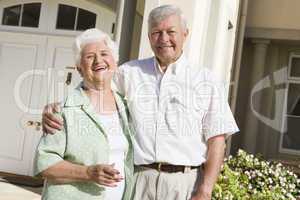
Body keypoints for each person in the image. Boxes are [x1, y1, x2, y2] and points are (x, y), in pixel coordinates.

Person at [42, 5, 239, 200]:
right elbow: (95, 83)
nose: (163, 39)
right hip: (140, 181)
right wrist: (59, 108)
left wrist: (205, 190)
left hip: (185, 184)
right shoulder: (130, 73)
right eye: (156, 33)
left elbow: (217, 140)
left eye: (171, 32)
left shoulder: (206, 80)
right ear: (149, 37)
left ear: (185, 34)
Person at [34, 28, 134, 200]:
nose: (98, 60)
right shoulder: (63, 110)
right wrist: (87, 172)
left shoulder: (126, 106)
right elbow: (44, 164)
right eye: (89, 57)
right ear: (79, 69)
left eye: (104, 53)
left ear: (115, 62)